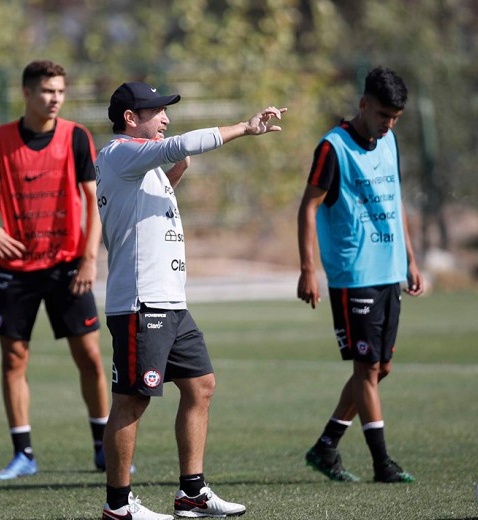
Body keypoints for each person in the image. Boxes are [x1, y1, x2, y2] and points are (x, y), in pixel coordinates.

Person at [96, 80, 286, 519]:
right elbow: (179, 145)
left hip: (170, 302)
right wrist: (245, 128)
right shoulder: (120, 152)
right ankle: (118, 506)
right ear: (130, 118)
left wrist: (175, 168)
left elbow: (156, 189)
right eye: (156, 111)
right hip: (141, 303)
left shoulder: (139, 165)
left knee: (201, 385)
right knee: (132, 400)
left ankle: (192, 494)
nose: (165, 118)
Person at [0, 60, 111, 480]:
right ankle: (23, 454)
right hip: (17, 268)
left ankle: (103, 448)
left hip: (68, 264)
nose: (55, 99)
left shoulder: (76, 137)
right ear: (27, 93)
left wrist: (90, 258)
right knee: (14, 358)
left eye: (60, 91)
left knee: (90, 357)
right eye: (47, 91)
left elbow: (94, 200)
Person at [296, 66, 423, 484]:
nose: (388, 124)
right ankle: (382, 463)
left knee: (380, 369)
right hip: (354, 275)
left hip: (389, 270)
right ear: (364, 104)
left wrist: (410, 259)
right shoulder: (333, 148)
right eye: (383, 115)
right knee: (367, 371)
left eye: (395, 118)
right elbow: (308, 206)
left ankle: (326, 445)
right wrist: (308, 269)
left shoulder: (390, 142)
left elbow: (395, 200)